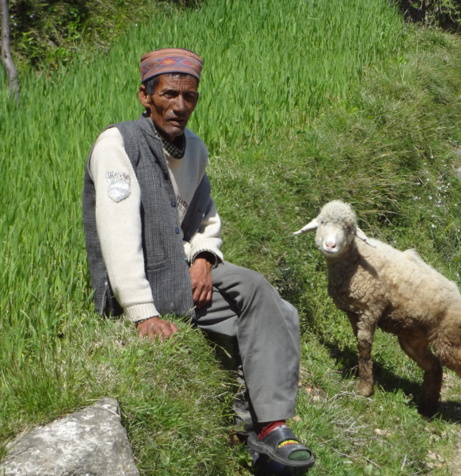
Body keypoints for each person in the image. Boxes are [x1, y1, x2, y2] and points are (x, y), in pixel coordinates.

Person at [82, 48, 314, 469]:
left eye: (189, 97)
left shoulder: (194, 150)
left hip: (183, 272)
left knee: (274, 306)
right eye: (170, 94)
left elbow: (205, 216)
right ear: (144, 96)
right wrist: (142, 312)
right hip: (143, 287)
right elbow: (118, 234)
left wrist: (204, 257)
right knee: (273, 310)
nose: (180, 106)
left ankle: (268, 427)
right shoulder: (118, 146)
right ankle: (267, 427)